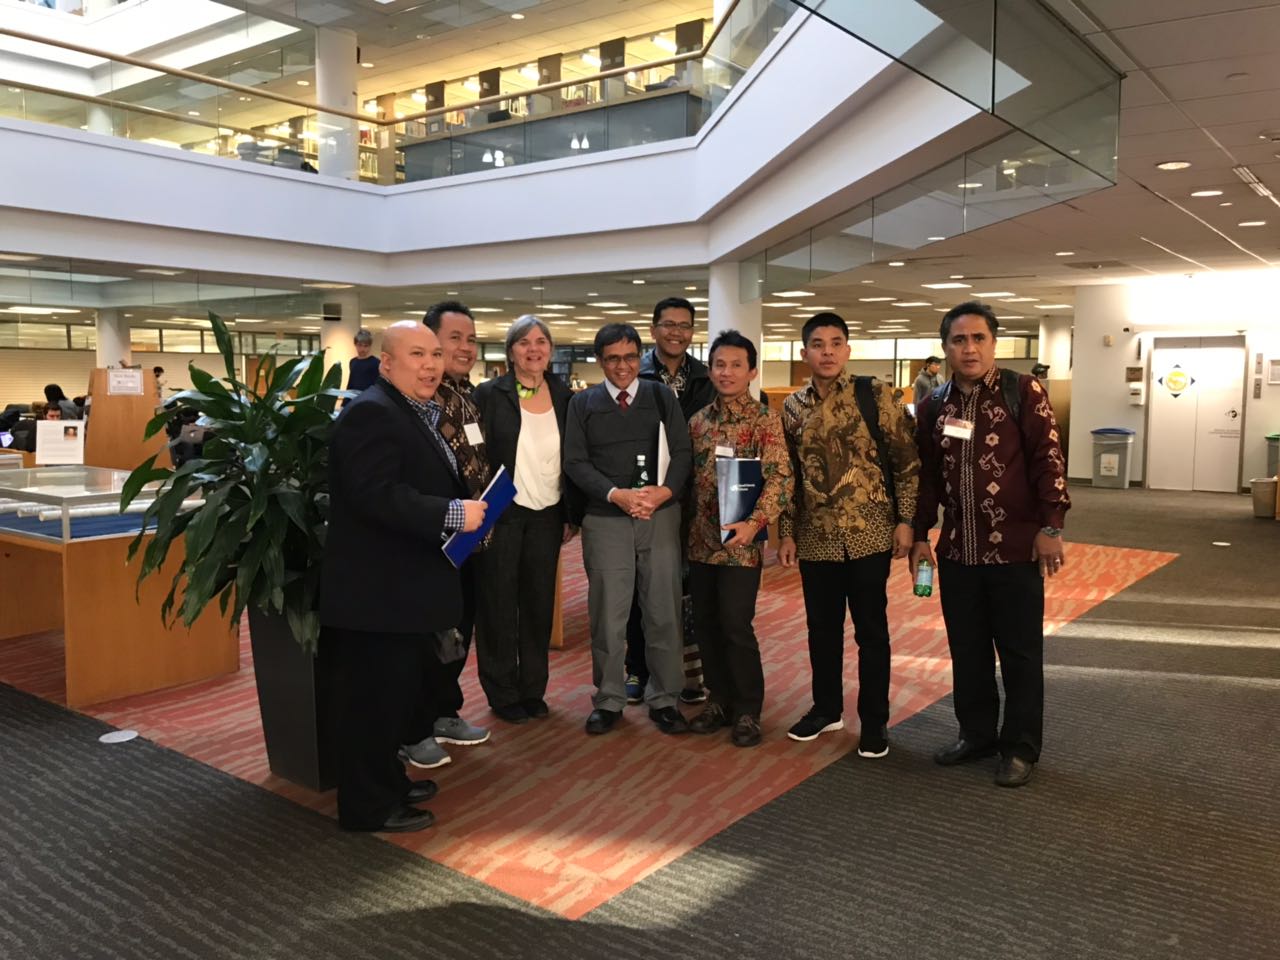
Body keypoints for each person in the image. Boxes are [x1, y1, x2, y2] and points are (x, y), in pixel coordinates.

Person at [319, 321, 487, 833]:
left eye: (436, 353)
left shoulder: (411, 412)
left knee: (395, 699)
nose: (432, 363)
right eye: (418, 354)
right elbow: (377, 495)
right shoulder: (372, 413)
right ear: (385, 362)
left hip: (403, 589)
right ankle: (369, 807)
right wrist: (454, 513)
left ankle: (388, 783)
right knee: (374, 703)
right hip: (378, 594)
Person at [911, 301, 1070, 789]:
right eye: (959, 340)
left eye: (978, 338)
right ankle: (976, 734)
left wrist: (1052, 527)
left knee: (1019, 653)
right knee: (969, 650)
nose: (969, 348)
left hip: (1016, 549)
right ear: (946, 348)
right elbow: (927, 479)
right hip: (959, 551)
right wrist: (920, 533)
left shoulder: (1022, 390)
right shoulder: (935, 404)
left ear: (993, 343)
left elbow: (1048, 459)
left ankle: (1019, 746)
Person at [779, 312, 920, 757]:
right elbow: (786, 477)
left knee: (871, 632)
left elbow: (906, 461)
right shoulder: (792, 408)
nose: (827, 351)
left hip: (870, 533)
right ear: (804, 354)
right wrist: (785, 533)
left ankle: (875, 722)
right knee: (821, 629)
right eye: (818, 344)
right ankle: (826, 708)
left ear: (848, 349)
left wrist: (906, 520)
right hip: (815, 535)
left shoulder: (874, 394)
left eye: (836, 343)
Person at [563, 322, 692, 736]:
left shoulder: (659, 396)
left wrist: (664, 492)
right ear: (600, 361)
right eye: (613, 358)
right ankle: (609, 699)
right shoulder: (583, 404)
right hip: (605, 521)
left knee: (663, 611)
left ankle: (665, 697)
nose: (623, 366)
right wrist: (616, 494)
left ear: (641, 356)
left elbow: (684, 452)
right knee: (607, 615)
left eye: (631, 356)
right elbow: (576, 463)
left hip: (658, 516)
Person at [685, 330, 792, 747]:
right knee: (706, 625)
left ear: (751, 371)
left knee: (735, 623)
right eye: (719, 364)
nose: (726, 372)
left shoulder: (764, 420)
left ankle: (748, 709)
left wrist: (755, 524)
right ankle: (719, 700)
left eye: (735, 365)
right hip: (699, 541)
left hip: (742, 545)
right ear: (710, 369)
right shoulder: (697, 422)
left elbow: (781, 478)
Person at [397, 300, 493, 768]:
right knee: (427, 637)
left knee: (459, 630)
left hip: (471, 538)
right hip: (432, 539)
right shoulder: (419, 401)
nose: (463, 348)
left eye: (471, 339)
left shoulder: (468, 395)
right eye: (453, 339)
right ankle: (415, 726)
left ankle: (443, 711)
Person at [472, 316, 576, 723]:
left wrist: (571, 514)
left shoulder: (566, 397)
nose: (534, 349)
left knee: (538, 603)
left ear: (551, 349)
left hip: (548, 514)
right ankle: (502, 691)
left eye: (542, 342)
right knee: (497, 603)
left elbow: (572, 461)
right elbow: (475, 457)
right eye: (524, 342)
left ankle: (533, 687)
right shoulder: (489, 395)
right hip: (502, 512)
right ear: (510, 350)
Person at [630, 295, 716, 705]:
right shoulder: (636, 373)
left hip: (695, 497)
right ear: (653, 329)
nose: (676, 332)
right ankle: (637, 669)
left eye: (684, 325)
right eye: (668, 324)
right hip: (644, 495)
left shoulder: (705, 377)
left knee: (687, 586)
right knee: (640, 587)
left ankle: (687, 673)